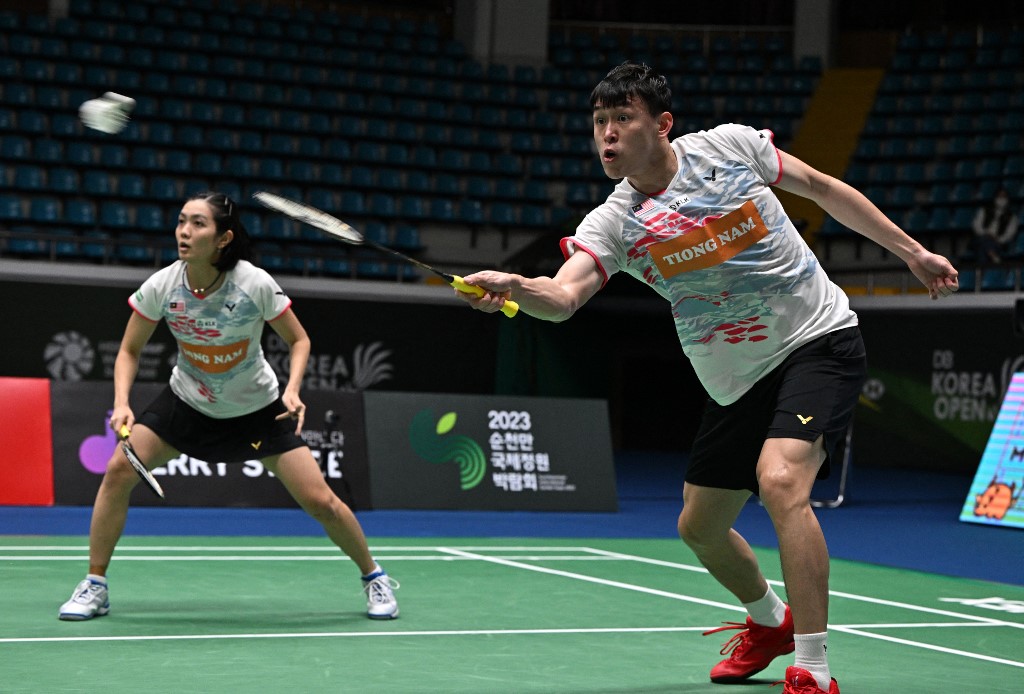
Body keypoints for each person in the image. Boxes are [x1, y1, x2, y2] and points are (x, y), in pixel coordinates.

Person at [454, 62, 958, 694]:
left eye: (622, 120)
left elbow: (824, 189)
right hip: (736, 379)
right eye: (599, 123)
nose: (607, 136)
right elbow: (562, 297)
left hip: (815, 339)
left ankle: (813, 666)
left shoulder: (730, 148)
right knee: (699, 527)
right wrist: (513, 287)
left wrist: (911, 252)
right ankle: (771, 623)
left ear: (662, 125)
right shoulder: (614, 223)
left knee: (779, 482)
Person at [59, 192, 399, 622]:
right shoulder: (163, 285)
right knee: (118, 471)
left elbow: (299, 339)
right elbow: (128, 350)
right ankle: (96, 584)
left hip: (257, 410)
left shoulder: (253, 282)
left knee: (321, 502)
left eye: (198, 224)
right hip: (187, 402)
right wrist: (122, 402)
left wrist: (293, 391)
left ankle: (374, 577)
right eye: (182, 221)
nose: (184, 231)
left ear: (223, 238)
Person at [971, 187, 1019, 264]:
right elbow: (976, 226)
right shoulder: (984, 210)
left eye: (1004, 197)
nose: (1001, 199)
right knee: (984, 241)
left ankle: (982, 269)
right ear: (995, 198)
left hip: (998, 243)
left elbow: (1009, 233)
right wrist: (987, 234)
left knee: (982, 248)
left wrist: (998, 239)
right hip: (982, 237)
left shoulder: (1012, 217)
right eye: (999, 196)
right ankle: (993, 257)